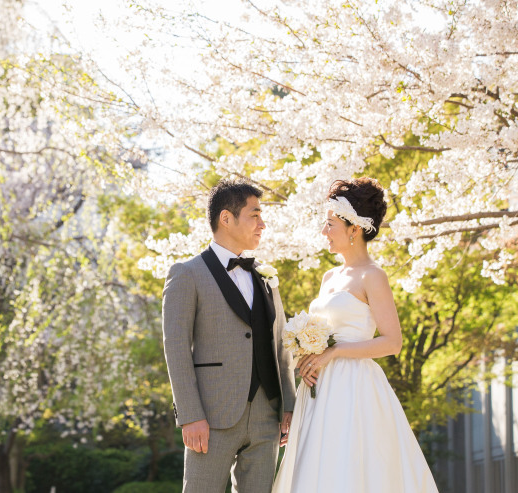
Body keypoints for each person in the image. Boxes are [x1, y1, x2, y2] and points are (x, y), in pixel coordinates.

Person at [272, 177, 439, 493]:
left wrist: (333, 353)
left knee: (351, 465)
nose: (324, 232)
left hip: (354, 386)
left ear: (355, 229)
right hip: (318, 389)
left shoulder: (373, 276)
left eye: (330, 224)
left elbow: (392, 341)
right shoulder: (329, 276)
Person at [162, 178, 297, 493]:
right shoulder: (187, 274)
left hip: (267, 416)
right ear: (226, 218)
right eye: (255, 215)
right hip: (210, 417)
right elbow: (176, 349)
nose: (262, 224)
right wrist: (190, 415)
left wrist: (288, 404)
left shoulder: (266, 276)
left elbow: (280, 343)